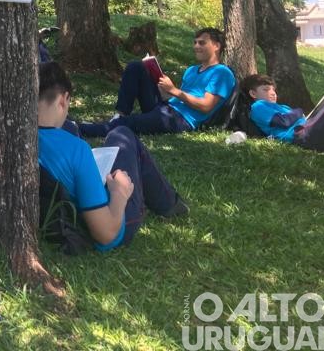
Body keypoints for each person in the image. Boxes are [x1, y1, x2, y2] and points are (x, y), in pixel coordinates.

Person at [38, 62, 188, 252]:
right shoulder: (77, 150)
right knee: (122, 134)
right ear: (63, 100)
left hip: (60, 204)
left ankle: (170, 203)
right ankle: (169, 204)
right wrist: (119, 193)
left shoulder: (11, 139)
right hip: (109, 224)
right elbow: (106, 235)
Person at [79, 27, 235, 137]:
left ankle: (80, 129)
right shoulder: (192, 70)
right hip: (166, 106)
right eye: (195, 42)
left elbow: (206, 106)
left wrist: (174, 90)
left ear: (216, 46)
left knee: (131, 123)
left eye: (202, 43)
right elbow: (176, 98)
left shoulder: (222, 73)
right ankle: (119, 115)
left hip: (181, 120)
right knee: (135, 67)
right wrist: (164, 88)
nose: (196, 46)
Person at [236, 74, 324, 152]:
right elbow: (283, 121)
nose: (273, 93)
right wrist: (299, 111)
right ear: (253, 94)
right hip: (299, 136)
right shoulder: (258, 107)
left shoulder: (283, 107)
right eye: (266, 89)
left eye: (273, 89)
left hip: (308, 129)